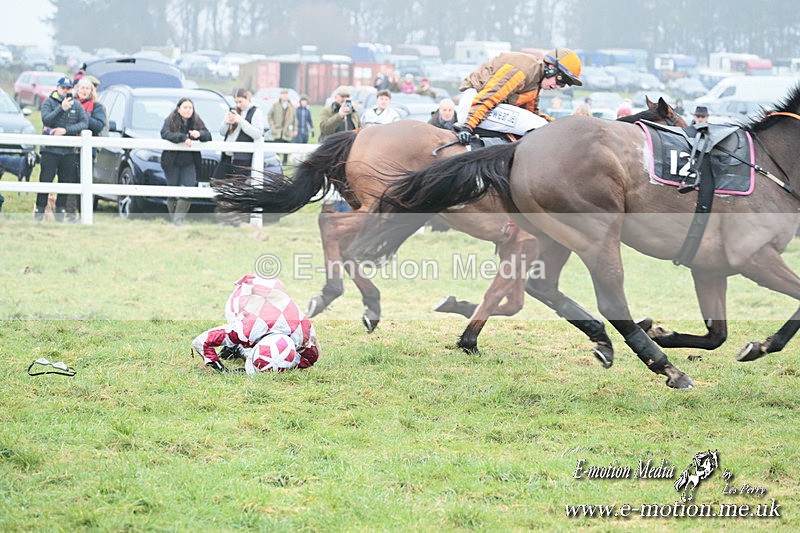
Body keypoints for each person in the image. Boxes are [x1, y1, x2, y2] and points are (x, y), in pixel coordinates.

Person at [192, 274, 321, 373]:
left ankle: (240, 350)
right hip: (245, 295)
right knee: (243, 339)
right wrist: (221, 370)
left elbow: (309, 359)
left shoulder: (303, 333)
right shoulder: (243, 330)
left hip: (273, 290)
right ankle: (236, 347)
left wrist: (287, 364)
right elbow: (200, 342)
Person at [454, 48, 582, 145]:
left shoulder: (536, 81)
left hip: (482, 108)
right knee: (539, 126)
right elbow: (488, 97)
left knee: (540, 124)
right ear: (552, 68)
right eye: (560, 80)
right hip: (474, 107)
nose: (558, 86)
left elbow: (531, 113)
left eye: (564, 84)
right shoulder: (522, 71)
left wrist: (559, 125)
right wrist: (467, 127)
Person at [35, 76, 88, 222]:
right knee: (45, 182)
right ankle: (38, 214)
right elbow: (46, 120)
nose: (65, 91)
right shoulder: (48, 102)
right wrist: (61, 108)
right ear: (57, 88)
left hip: (68, 152)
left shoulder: (76, 105)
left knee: (65, 183)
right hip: (50, 151)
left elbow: (84, 123)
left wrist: (66, 130)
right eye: (63, 88)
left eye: (68, 88)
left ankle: (59, 216)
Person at [160, 97, 211, 225]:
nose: (188, 110)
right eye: (185, 107)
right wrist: (182, 138)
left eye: (190, 108)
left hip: (189, 162)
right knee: (172, 191)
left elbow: (208, 135)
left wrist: (199, 134)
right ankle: (174, 221)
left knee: (189, 190)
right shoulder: (170, 120)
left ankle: (178, 221)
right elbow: (165, 134)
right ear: (179, 109)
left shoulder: (196, 120)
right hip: (172, 161)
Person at [68, 76, 107, 222]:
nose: (84, 91)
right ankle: (71, 215)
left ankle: (84, 214)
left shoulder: (97, 107)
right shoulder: (70, 103)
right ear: (77, 90)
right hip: (70, 150)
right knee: (70, 181)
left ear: (91, 91)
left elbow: (98, 125)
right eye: (82, 88)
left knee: (84, 181)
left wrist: (82, 116)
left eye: (87, 88)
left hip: (87, 152)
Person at [214, 88, 264, 182]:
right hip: (227, 156)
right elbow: (222, 132)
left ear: (248, 98)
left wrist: (241, 121)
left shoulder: (256, 112)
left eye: (240, 101)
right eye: (236, 102)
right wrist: (226, 123)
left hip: (242, 157)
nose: (238, 105)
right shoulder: (234, 111)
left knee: (238, 187)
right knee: (216, 182)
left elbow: (257, 134)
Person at [267, 88, 297, 164]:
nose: (284, 96)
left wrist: (294, 129)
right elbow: (269, 116)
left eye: (286, 95)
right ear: (280, 95)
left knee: (286, 147)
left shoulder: (291, 106)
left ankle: (285, 162)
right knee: (276, 147)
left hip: (287, 130)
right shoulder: (275, 105)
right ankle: (277, 161)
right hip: (277, 130)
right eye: (283, 94)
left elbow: (295, 119)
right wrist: (272, 126)